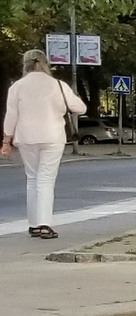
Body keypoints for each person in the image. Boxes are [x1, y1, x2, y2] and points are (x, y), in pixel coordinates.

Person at [2, 49, 84, 239]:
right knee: (46, 179)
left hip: (26, 138)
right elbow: (80, 108)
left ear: (25, 64)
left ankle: (33, 224)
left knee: (32, 178)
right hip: (52, 137)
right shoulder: (58, 85)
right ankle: (45, 224)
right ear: (45, 63)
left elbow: (11, 115)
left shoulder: (17, 87)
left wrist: (6, 141)